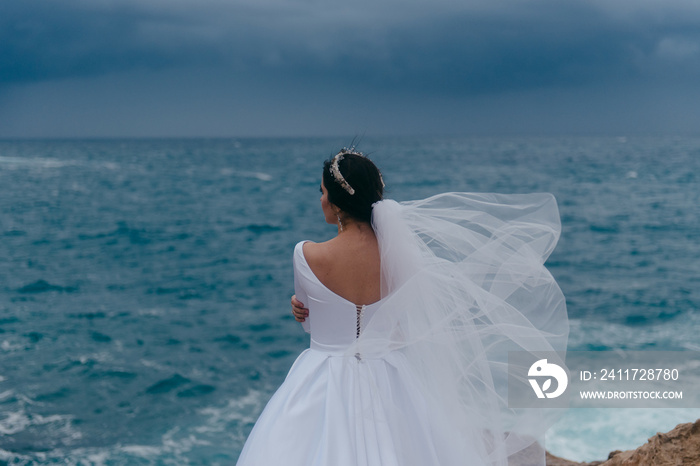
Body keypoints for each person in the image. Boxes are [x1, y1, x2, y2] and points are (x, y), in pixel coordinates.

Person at [236, 148, 568, 466]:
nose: (321, 199)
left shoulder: (305, 255)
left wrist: (302, 307)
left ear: (337, 202)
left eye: (323, 192)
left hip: (325, 377)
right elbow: (399, 323)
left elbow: (311, 325)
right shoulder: (401, 259)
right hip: (391, 377)